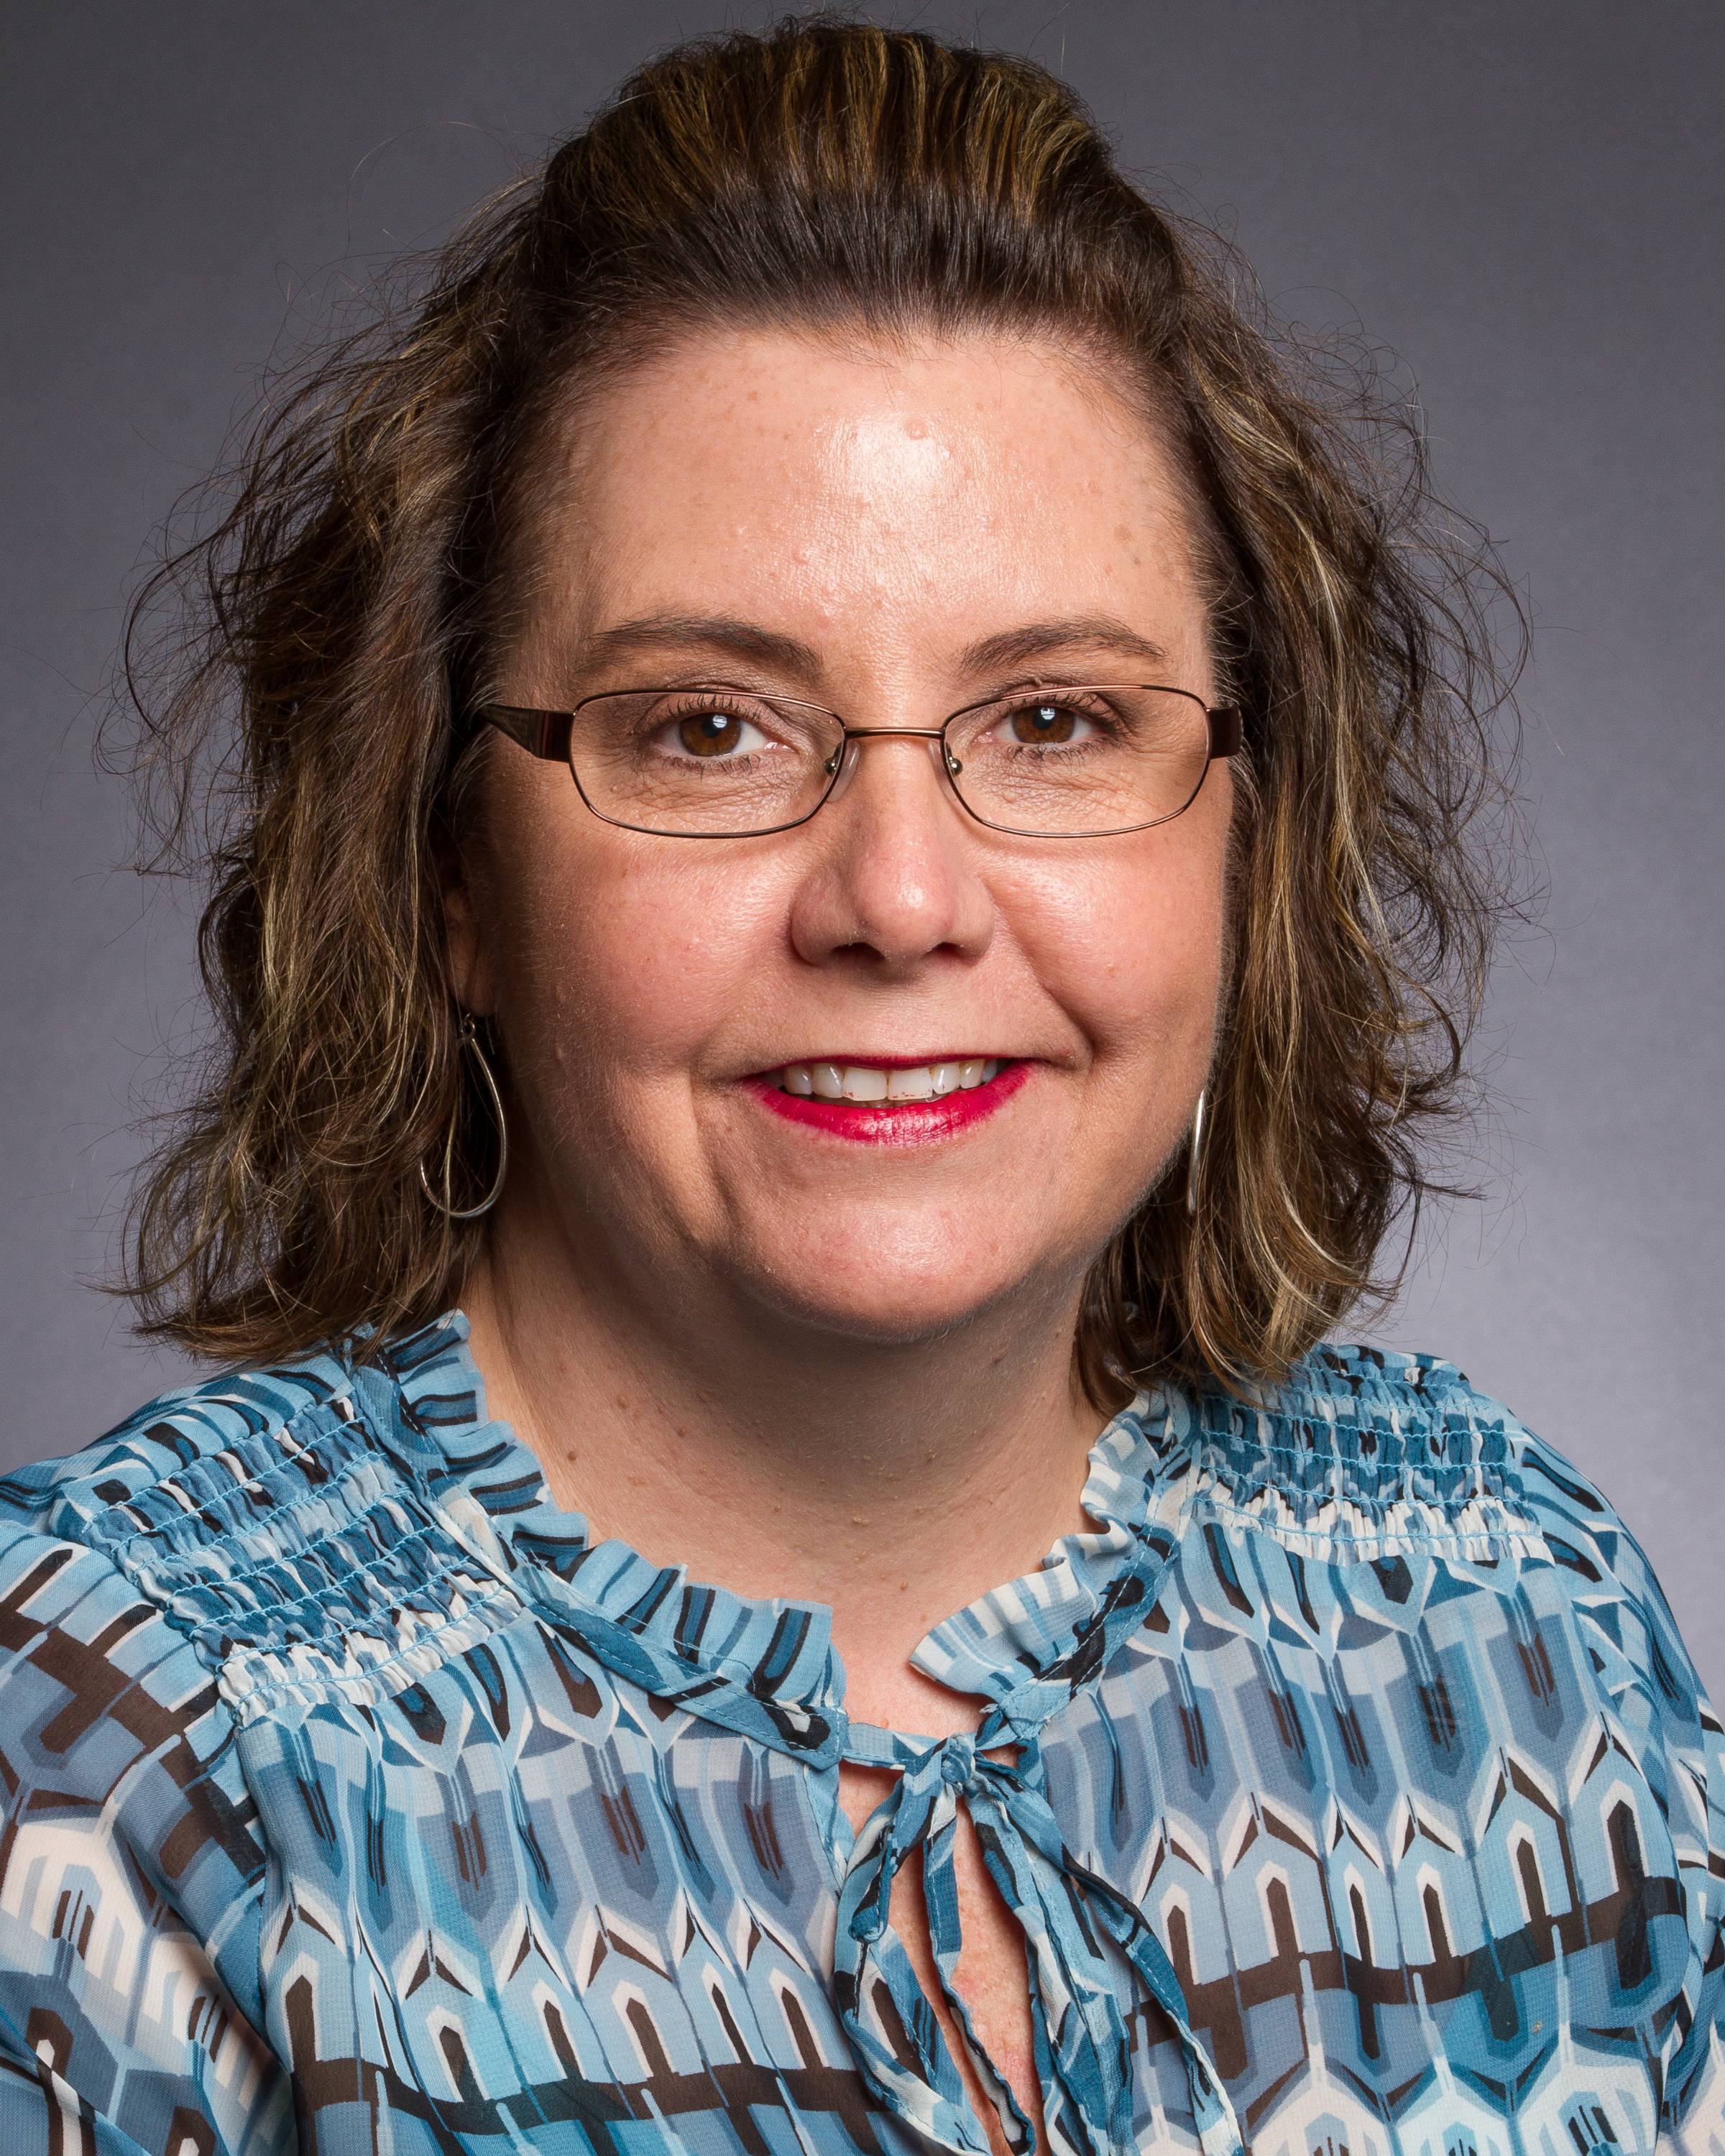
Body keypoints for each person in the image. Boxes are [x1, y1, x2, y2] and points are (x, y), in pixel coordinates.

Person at [1, 17, 1718, 2155]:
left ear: (1246, 836)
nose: (900, 900)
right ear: (445, 868)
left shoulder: (1508, 1624)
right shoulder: (114, 1749)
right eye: (707, 728)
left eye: (1056, 720)